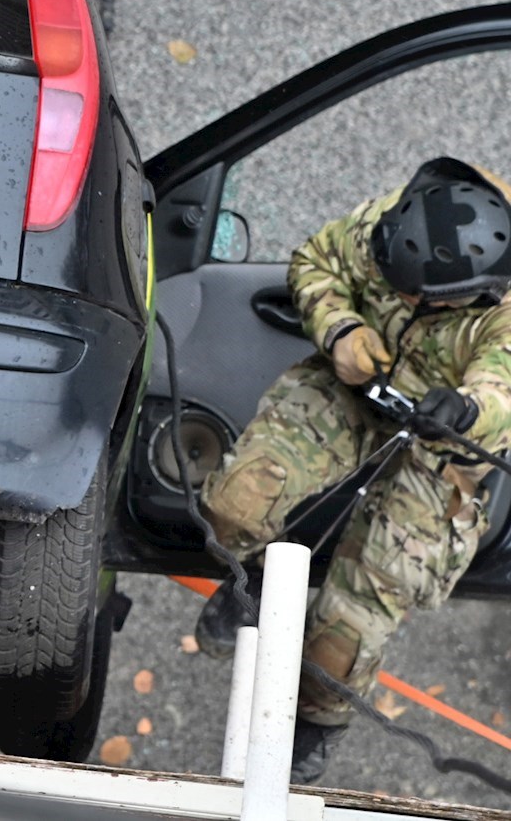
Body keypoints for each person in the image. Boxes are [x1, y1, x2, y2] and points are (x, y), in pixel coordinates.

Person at [192, 157, 511, 783]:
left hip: (443, 446)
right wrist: (341, 331)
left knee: (347, 635)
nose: (398, 291)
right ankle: (250, 580)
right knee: (237, 502)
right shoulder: (403, 222)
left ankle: (316, 720)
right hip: (355, 385)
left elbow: (503, 397)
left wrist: (465, 411)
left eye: (413, 293)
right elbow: (316, 262)